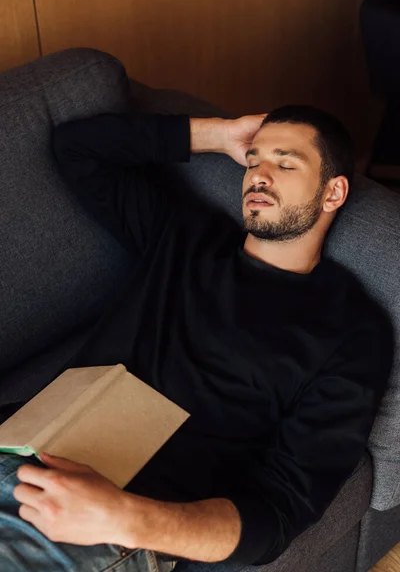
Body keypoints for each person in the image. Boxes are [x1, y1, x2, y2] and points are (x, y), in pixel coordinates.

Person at [0, 106, 393, 572]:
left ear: (333, 192)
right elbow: (76, 146)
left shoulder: (351, 331)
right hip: (19, 444)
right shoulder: (184, 234)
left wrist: (125, 517)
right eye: (253, 161)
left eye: (285, 163)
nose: (260, 176)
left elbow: (282, 509)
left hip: (101, 524)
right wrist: (219, 135)